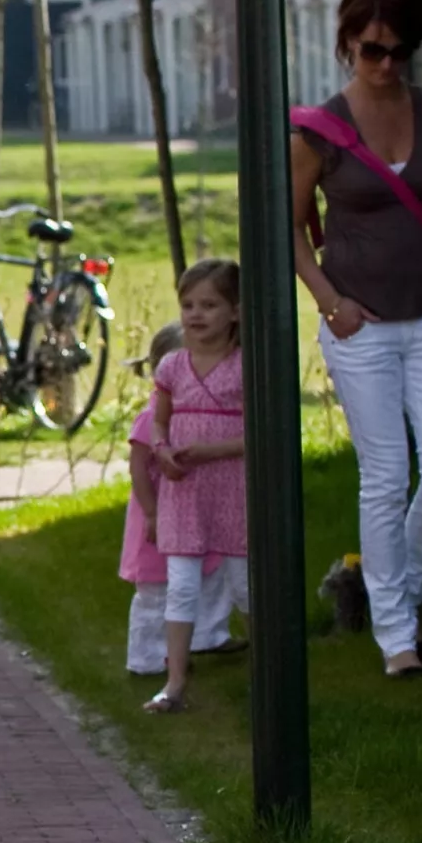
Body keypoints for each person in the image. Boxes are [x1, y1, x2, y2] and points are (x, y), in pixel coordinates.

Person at [289, 0, 422, 679]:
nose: (387, 65)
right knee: (386, 476)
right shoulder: (317, 130)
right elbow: (287, 229)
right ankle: (395, 637)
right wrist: (330, 301)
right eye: (372, 51)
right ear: (347, 45)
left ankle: (396, 589)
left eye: (401, 52)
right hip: (359, 325)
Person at [144, 260, 250, 713]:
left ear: (237, 311)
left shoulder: (248, 366)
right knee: (181, 586)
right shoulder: (172, 366)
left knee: (245, 583)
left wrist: (212, 450)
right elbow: (159, 422)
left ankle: (269, 672)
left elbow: (259, 436)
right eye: (188, 305)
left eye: (209, 304)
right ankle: (175, 682)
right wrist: (163, 449)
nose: (196, 314)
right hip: (183, 490)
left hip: (231, 487)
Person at [121, 321, 246, 677]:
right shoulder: (151, 419)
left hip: (198, 507)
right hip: (162, 514)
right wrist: (151, 513)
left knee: (210, 574)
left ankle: (206, 635)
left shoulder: (200, 412)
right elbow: (139, 470)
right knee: (156, 588)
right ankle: (146, 656)